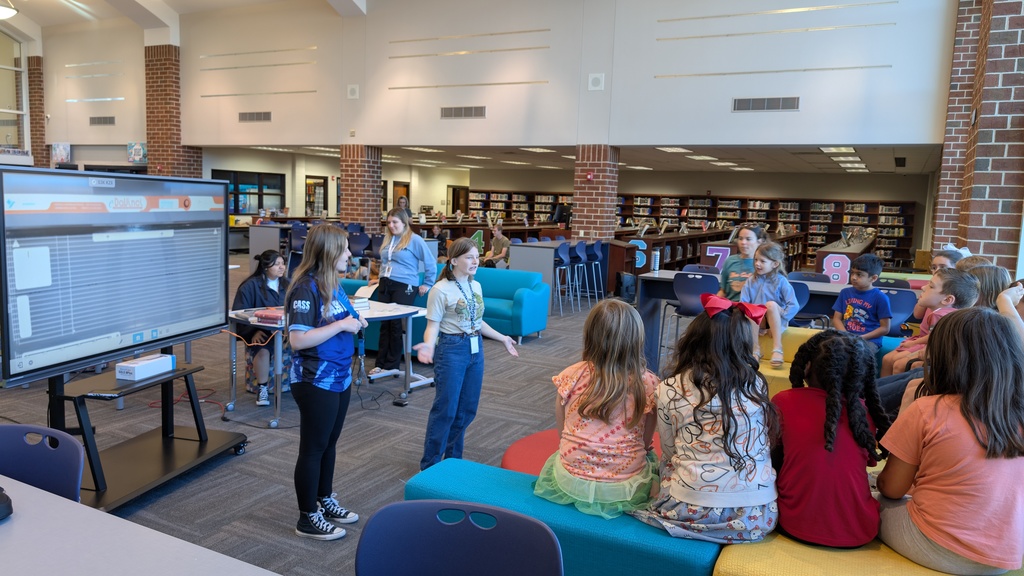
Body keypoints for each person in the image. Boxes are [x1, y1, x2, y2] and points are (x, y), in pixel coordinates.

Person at [877, 307, 1024, 574]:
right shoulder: (1018, 412)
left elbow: (892, 489)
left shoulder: (927, 409)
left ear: (944, 357)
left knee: (860, 500)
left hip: (937, 545)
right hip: (1005, 557)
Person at [632, 293, 779, 544]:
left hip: (689, 510)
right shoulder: (755, 384)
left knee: (665, 463)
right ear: (743, 344)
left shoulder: (669, 387)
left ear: (692, 340)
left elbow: (668, 450)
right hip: (757, 515)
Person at [532, 299, 660, 518]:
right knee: (655, 466)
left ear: (590, 337)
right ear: (637, 340)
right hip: (625, 485)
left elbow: (562, 430)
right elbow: (646, 441)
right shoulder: (649, 383)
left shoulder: (571, 375)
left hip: (570, 479)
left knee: (562, 452)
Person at [285, 224, 368, 541]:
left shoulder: (334, 284)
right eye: (345, 248)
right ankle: (307, 517)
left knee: (329, 445)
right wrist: (343, 325)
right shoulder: (305, 288)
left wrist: (355, 322)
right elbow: (298, 340)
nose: (350, 252)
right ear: (329, 252)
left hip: (339, 375)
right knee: (313, 448)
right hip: (314, 379)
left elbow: (340, 320)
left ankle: (324, 499)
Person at [772, 330, 891, 548]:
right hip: (860, 531)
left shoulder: (784, 401)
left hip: (792, 522)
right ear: (862, 375)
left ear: (806, 366)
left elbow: (771, 459)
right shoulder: (863, 414)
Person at [413, 237, 519, 470]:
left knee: (467, 409)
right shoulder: (440, 290)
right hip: (451, 350)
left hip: (475, 349)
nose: (475, 262)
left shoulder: (476, 285)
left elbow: (477, 322)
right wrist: (429, 346)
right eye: (469, 257)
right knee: (446, 410)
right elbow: (432, 326)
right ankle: (430, 466)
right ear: (453, 261)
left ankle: (452, 462)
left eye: (477, 257)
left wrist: (502, 338)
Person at [370, 208, 436, 375]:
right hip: (386, 283)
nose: (391, 226)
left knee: (396, 325)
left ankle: (391, 365)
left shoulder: (415, 240)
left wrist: (427, 283)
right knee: (384, 324)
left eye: (395, 222)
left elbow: (430, 263)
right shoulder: (388, 239)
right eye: (389, 222)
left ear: (404, 222)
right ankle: (380, 363)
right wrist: (380, 278)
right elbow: (386, 262)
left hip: (405, 285)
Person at [881, 268, 978, 377]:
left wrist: (913, 343)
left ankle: (888, 391)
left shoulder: (940, 314)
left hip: (928, 344)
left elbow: (933, 337)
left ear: (947, 300)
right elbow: (917, 314)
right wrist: (924, 300)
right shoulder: (936, 308)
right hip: (923, 341)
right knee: (887, 359)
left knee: (898, 363)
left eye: (931, 286)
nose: (923, 287)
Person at [231, 250, 291, 406]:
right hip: (261, 331)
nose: (281, 267)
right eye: (277, 264)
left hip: (286, 330)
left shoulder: (288, 284)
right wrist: (252, 332)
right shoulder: (250, 286)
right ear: (265, 267)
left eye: (282, 264)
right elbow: (240, 313)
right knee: (262, 347)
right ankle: (262, 389)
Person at [740, 242, 798, 368]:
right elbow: (743, 304)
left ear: (775, 264)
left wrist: (779, 322)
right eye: (755, 260)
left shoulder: (781, 281)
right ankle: (755, 350)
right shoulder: (750, 281)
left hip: (777, 319)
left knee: (770, 305)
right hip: (756, 321)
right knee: (752, 308)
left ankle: (778, 348)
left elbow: (794, 305)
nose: (757, 264)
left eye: (762, 261)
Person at [831, 254, 892, 348]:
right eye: (852, 273)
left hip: (869, 340)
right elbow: (836, 319)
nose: (853, 277)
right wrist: (846, 335)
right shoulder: (845, 293)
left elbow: (885, 328)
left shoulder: (880, 297)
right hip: (846, 337)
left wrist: (861, 337)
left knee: (858, 354)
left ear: (873, 278)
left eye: (859, 274)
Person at [718, 224, 767, 301]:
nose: (743, 242)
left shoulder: (764, 263)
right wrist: (713, 303)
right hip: (729, 306)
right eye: (740, 239)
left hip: (751, 308)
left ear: (759, 242)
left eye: (748, 239)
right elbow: (723, 291)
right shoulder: (730, 261)